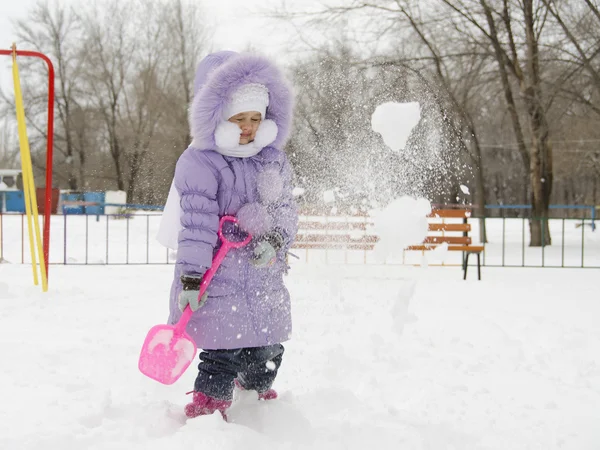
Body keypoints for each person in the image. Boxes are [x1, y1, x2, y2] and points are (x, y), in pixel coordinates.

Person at [164, 51, 298, 419]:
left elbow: (285, 208)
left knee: (268, 346)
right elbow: (197, 225)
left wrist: (275, 241)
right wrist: (192, 277)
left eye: (256, 117)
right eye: (239, 118)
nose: (249, 126)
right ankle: (210, 406)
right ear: (218, 116)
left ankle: (255, 399)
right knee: (223, 350)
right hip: (217, 278)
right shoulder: (201, 162)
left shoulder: (272, 159)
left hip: (263, 275)